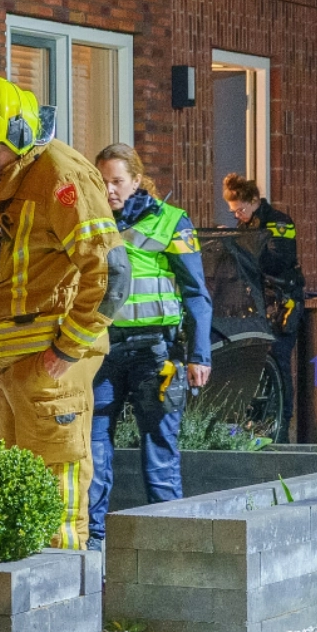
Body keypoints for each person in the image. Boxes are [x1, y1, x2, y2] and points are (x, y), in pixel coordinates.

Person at [0, 76, 130, 550]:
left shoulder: (60, 175)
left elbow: (111, 274)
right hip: (8, 360)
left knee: (56, 479)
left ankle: (61, 592)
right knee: (6, 484)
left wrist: (65, 351)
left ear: (20, 133)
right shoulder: (17, 176)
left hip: (48, 357)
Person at [87, 144, 213, 551]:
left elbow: (196, 295)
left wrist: (199, 355)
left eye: (117, 181)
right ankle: (93, 542)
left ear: (137, 180)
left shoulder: (172, 223)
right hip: (102, 351)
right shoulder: (89, 223)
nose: (109, 190)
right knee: (93, 447)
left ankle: (168, 543)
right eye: (102, 180)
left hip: (155, 353)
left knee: (159, 446)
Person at [224, 173, 306, 439]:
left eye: (240, 209)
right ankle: (255, 423)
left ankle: (282, 427)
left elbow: (277, 260)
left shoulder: (278, 222)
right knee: (255, 361)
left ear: (254, 201)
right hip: (258, 302)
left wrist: (243, 247)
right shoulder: (246, 227)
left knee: (279, 360)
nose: (237, 215)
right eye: (234, 211)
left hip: (283, 301)